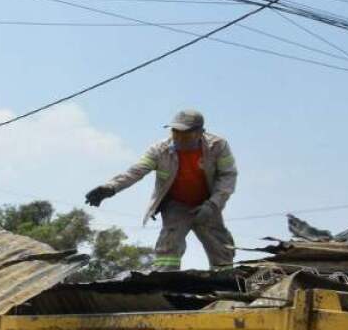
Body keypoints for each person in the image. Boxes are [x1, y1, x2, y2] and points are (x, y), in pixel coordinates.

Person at [85, 108, 238, 270]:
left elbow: (228, 176)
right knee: (168, 245)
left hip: (207, 204)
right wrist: (110, 188)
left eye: (185, 133)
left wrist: (213, 205)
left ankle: (225, 279)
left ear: (200, 132)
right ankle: (166, 279)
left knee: (221, 248)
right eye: (175, 131)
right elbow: (136, 171)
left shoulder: (218, 146)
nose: (179, 137)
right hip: (176, 205)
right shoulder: (159, 150)